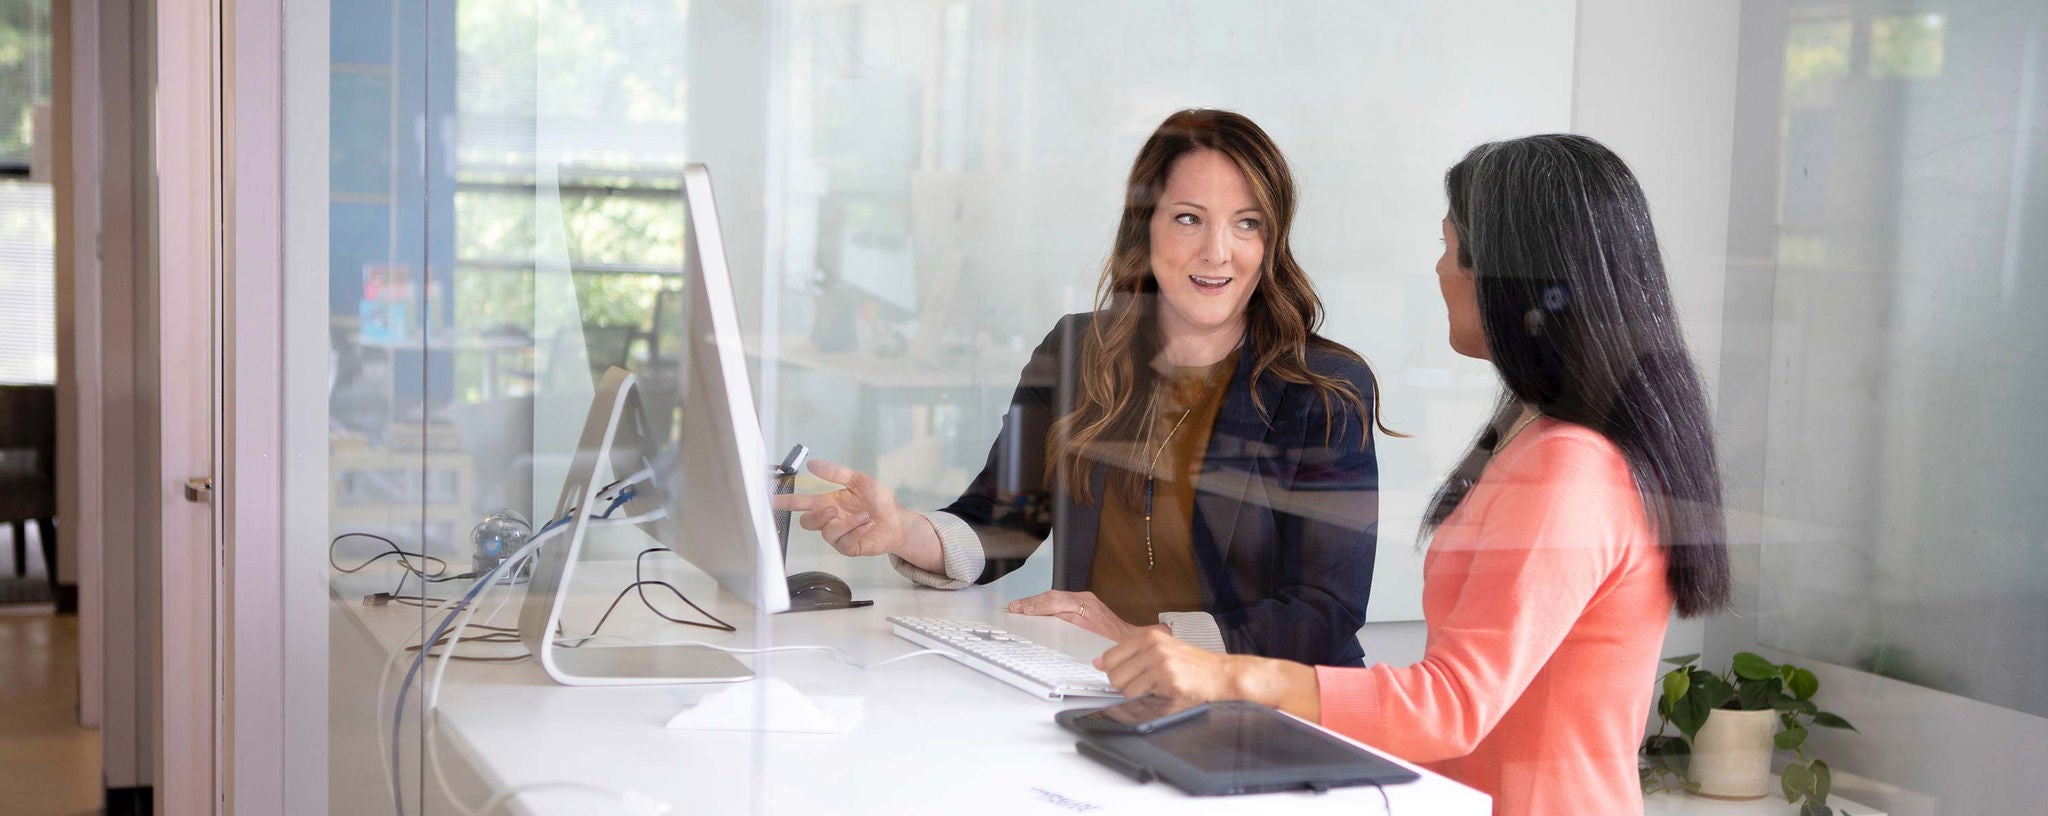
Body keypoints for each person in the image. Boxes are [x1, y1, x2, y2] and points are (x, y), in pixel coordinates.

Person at [1093, 134, 1732, 816]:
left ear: (1512, 276)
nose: (1438, 268)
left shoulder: (1571, 465)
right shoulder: (1535, 431)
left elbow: (1452, 704)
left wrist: (1228, 675)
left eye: (1451, 246)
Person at [773, 109, 1392, 665]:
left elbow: (1322, 613)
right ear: (1144, 230)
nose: (1217, 251)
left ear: (1272, 240)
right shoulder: (1075, 352)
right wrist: (903, 528)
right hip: (1096, 678)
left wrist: (1143, 639)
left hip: (1259, 711)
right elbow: (1005, 520)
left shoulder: (1323, 388)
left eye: (1247, 224)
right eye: (1188, 219)